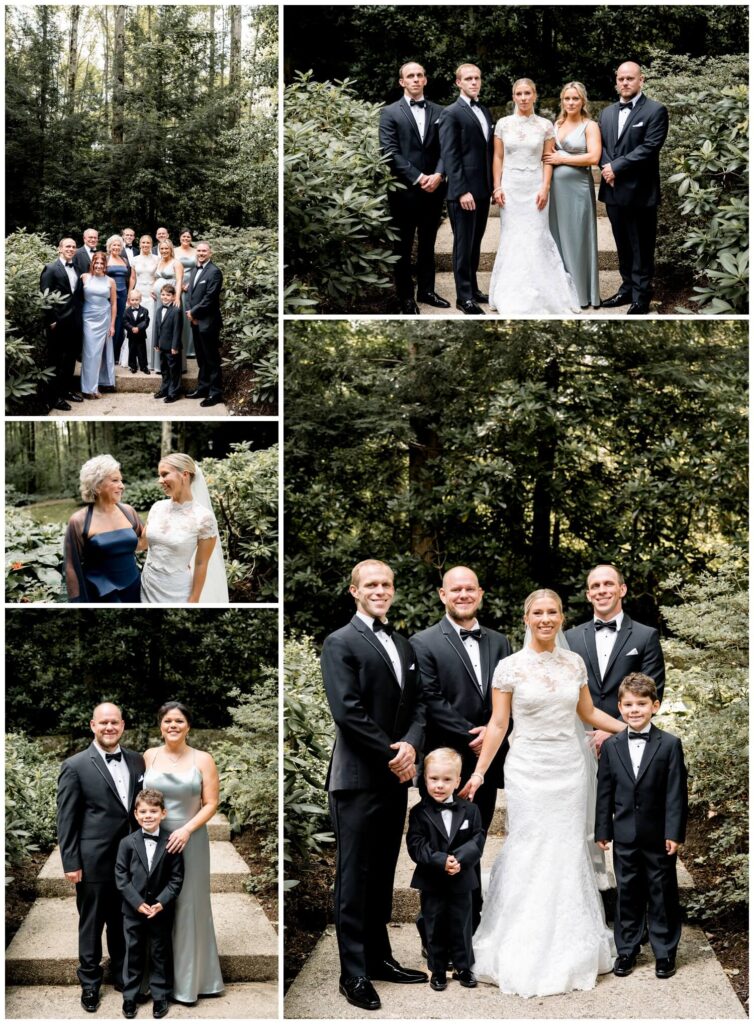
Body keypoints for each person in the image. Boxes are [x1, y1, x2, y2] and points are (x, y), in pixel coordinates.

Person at [462, 588, 626, 997]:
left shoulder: (575, 662)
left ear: (561, 618)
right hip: (528, 770)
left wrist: (635, 729)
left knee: (567, 848)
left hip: (569, 770)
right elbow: (499, 726)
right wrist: (481, 773)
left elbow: (587, 713)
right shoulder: (509, 668)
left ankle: (570, 940)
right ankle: (520, 938)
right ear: (526, 618)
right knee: (531, 846)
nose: (545, 618)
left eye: (552, 612)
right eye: (538, 612)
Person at [321, 559, 427, 1012]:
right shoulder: (340, 642)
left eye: (386, 584)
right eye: (371, 584)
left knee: (383, 872)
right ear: (354, 591)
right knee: (354, 876)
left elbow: (418, 708)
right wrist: (393, 755)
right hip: (358, 779)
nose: (380, 590)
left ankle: (381, 957)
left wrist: (412, 749)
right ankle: (354, 972)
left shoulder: (403, 645)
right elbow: (347, 711)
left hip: (393, 778)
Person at [410, 565, 511, 931]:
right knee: (439, 846)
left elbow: (510, 698)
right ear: (443, 595)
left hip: (486, 758)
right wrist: (475, 732)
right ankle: (433, 927)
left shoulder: (500, 642)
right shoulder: (423, 642)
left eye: (470, 589)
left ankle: (471, 926)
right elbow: (431, 700)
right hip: (445, 762)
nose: (463, 595)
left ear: (480, 593)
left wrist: (495, 732)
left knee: (473, 841)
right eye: (456, 590)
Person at [596, 674, 688, 980]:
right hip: (624, 834)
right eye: (629, 704)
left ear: (655, 706)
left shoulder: (669, 744)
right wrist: (602, 830)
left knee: (662, 892)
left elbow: (676, 792)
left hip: (659, 834)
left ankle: (664, 952)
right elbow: (604, 790)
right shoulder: (611, 746)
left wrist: (674, 833)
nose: (635, 710)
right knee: (627, 892)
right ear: (620, 707)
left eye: (642, 704)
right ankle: (627, 949)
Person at [56, 702, 145, 1013]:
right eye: (103, 722)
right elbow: (66, 818)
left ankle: (123, 976)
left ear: (123, 725)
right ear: (92, 725)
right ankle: (90, 984)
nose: (110, 727)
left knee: (123, 920)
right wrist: (70, 862)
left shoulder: (137, 760)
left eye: (115, 722)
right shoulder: (75, 765)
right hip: (93, 859)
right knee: (92, 924)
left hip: (131, 859)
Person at [143, 702, 224, 1005]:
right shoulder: (149, 756)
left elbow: (211, 802)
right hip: (154, 837)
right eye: (167, 721)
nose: (173, 725)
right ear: (160, 725)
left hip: (190, 838)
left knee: (190, 905)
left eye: (179, 720)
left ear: (188, 725)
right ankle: (156, 979)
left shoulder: (203, 759)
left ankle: (191, 982)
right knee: (157, 903)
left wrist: (187, 829)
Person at [488, 78, 579, 315]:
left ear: (535, 95)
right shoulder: (503, 125)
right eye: (519, 93)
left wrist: (545, 187)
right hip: (510, 187)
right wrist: (497, 187)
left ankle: (544, 290)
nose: (524, 98)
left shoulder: (545, 126)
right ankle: (510, 291)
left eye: (528, 93)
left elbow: (547, 159)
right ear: (513, 96)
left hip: (534, 187)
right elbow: (498, 158)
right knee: (512, 236)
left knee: (538, 235)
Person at [406, 748, 484, 993]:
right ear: (424, 778)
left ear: (458, 781)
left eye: (447, 779)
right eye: (434, 779)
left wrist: (459, 859)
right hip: (433, 880)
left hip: (462, 878)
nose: (439, 785)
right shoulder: (419, 812)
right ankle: (438, 969)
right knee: (435, 924)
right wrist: (441, 860)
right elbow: (416, 845)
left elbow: (477, 839)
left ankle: (463, 967)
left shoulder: (471, 810)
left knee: (462, 923)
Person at [598, 61, 669, 314]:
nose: (625, 83)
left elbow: (649, 148)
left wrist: (616, 167)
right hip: (613, 190)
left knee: (641, 245)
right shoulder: (606, 113)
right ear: (616, 81)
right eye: (621, 79)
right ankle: (626, 288)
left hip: (640, 191)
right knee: (622, 243)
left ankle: (642, 295)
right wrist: (607, 167)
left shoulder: (655, 110)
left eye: (630, 78)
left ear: (642, 80)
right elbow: (601, 148)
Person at [379, 61, 448, 314]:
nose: (416, 79)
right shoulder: (390, 113)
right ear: (402, 82)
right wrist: (419, 177)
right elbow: (389, 151)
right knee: (404, 246)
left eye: (420, 75)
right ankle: (406, 297)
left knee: (429, 243)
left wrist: (439, 174)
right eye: (411, 76)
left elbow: (446, 148)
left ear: (425, 80)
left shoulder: (441, 111)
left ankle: (427, 291)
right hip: (404, 189)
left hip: (435, 187)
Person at [115, 788, 184, 1020]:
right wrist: (137, 902)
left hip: (160, 911)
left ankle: (160, 995)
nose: (148, 816)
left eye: (153, 811)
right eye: (143, 811)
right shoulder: (126, 843)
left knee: (159, 952)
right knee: (133, 952)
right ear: (136, 814)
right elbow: (121, 877)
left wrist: (161, 902)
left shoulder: (171, 842)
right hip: (133, 911)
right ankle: (130, 997)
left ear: (163, 813)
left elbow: (176, 879)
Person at [438, 64, 493, 315]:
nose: (474, 82)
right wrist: (461, 191)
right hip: (463, 193)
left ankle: (473, 289)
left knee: (475, 243)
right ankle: (464, 298)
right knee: (463, 244)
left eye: (477, 78)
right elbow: (450, 155)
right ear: (458, 82)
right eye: (468, 79)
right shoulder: (451, 113)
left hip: (482, 190)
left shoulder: (484, 110)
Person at [140, 452, 228, 604]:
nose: (160, 481)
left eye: (165, 474)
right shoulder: (156, 508)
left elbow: (201, 564)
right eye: (159, 476)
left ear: (184, 474)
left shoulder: (204, 518)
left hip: (177, 591)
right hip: (147, 586)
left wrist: (193, 600)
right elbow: (142, 543)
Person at [544, 81, 602, 308]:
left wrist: (562, 159)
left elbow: (594, 158)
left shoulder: (590, 126)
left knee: (577, 238)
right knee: (556, 238)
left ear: (583, 101)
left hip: (578, 190)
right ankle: (562, 291)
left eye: (575, 98)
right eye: (567, 98)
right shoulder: (556, 124)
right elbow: (547, 154)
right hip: (555, 192)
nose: (570, 102)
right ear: (562, 100)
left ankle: (582, 293)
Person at [63, 455, 143, 603]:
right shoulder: (79, 521)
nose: (122, 485)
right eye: (115, 480)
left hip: (135, 587)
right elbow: (71, 567)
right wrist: (76, 602)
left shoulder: (129, 511)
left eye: (121, 480)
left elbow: (146, 541)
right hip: (102, 594)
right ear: (97, 486)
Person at [39, 236, 84, 410]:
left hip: (74, 322)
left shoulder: (78, 269)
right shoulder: (50, 269)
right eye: (67, 246)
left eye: (73, 247)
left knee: (70, 360)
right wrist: (50, 320)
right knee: (56, 361)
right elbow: (45, 296)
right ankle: (54, 397)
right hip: (57, 322)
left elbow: (77, 295)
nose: (71, 249)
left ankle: (66, 391)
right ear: (60, 248)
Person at [186, 242, 224, 406]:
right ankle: (203, 388)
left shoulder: (214, 272)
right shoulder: (195, 269)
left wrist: (194, 313)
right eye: (199, 251)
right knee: (201, 358)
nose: (201, 253)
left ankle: (215, 393)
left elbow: (210, 298)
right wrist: (189, 312)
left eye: (204, 251)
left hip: (208, 322)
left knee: (211, 358)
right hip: (194, 321)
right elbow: (190, 295)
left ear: (210, 253)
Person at [80, 251, 117, 398]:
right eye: (96, 262)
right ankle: (89, 389)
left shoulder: (110, 281)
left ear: (105, 265)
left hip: (104, 318)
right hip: (88, 318)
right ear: (92, 263)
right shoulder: (84, 278)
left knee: (102, 353)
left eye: (102, 263)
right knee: (90, 353)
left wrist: (112, 325)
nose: (99, 265)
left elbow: (114, 304)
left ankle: (100, 384)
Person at [150, 240, 184, 372]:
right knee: (160, 326)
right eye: (161, 249)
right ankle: (159, 364)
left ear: (171, 249)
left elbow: (179, 280)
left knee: (171, 328)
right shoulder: (159, 262)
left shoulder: (176, 263)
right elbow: (155, 277)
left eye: (166, 249)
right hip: (159, 299)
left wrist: (177, 297)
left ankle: (174, 362)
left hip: (171, 298)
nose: (164, 251)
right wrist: (153, 290)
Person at [106, 235, 135, 364]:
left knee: (120, 322)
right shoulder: (105, 259)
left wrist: (129, 293)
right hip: (109, 295)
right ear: (109, 246)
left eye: (118, 245)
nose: (116, 247)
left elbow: (130, 278)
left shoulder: (124, 259)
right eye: (114, 245)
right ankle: (108, 353)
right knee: (110, 322)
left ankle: (117, 354)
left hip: (123, 294)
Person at [152, 284, 184, 403]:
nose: (165, 297)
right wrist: (156, 342)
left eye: (168, 295)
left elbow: (177, 330)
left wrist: (175, 346)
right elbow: (156, 327)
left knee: (174, 370)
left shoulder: (176, 311)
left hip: (172, 347)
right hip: (162, 346)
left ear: (173, 296)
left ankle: (173, 392)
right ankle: (164, 389)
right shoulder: (159, 310)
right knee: (164, 369)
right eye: (163, 294)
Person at [131, 235, 160, 368]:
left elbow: (157, 276)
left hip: (151, 293)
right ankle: (133, 358)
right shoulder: (134, 259)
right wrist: (129, 293)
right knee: (135, 322)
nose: (145, 245)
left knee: (150, 323)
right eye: (143, 242)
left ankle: (150, 358)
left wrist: (155, 289)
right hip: (138, 293)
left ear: (151, 244)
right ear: (139, 243)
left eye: (148, 242)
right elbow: (132, 278)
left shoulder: (157, 259)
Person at [175, 228, 198, 357]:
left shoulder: (196, 251)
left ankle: (191, 349)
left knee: (191, 315)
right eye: (183, 236)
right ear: (179, 237)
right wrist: (180, 284)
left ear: (191, 238)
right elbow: (170, 266)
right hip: (177, 284)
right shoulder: (174, 251)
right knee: (180, 316)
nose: (186, 239)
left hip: (192, 285)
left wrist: (191, 283)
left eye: (188, 237)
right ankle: (179, 345)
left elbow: (199, 268)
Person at [123, 289, 150, 374]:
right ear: (129, 300)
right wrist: (131, 328)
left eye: (136, 300)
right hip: (131, 335)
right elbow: (125, 322)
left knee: (142, 351)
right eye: (132, 300)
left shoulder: (144, 311)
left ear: (140, 300)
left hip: (141, 334)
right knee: (132, 351)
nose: (134, 302)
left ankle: (144, 366)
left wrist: (138, 328)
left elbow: (146, 321)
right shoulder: (127, 311)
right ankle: (133, 366)